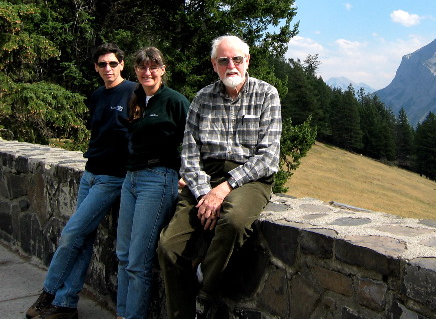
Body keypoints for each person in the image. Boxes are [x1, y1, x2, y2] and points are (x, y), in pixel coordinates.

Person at [157, 35, 282, 319]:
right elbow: (189, 155)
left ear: (247, 61)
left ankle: (205, 284)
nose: (231, 65)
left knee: (235, 221)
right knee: (168, 248)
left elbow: (268, 157)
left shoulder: (266, 94)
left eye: (237, 59)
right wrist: (204, 194)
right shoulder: (202, 98)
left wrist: (224, 188)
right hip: (205, 176)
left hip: (250, 178)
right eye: (223, 60)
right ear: (214, 64)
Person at [27, 44, 137, 319]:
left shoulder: (135, 92)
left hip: (113, 177)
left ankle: (48, 294)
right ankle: (65, 304)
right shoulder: (98, 95)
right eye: (102, 64)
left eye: (113, 63)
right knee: (83, 239)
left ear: (122, 64)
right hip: (90, 173)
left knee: (71, 234)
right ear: (96, 68)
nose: (108, 69)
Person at [115, 47, 190, 319]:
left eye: (154, 66)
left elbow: (195, 141)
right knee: (123, 254)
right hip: (131, 179)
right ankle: (123, 313)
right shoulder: (135, 99)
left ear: (163, 70)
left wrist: (186, 175)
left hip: (157, 181)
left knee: (138, 261)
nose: (148, 72)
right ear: (135, 70)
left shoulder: (174, 101)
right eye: (142, 67)